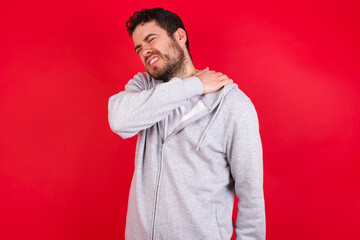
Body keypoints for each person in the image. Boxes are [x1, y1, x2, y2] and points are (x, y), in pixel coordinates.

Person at [108, 7, 265, 240]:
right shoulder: (144, 88)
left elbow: (250, 193)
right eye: (139, 48)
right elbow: (119, 121)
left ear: (180, 37)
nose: (144, 51)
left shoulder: (232, 104)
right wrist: (194, 85)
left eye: (151, 39)